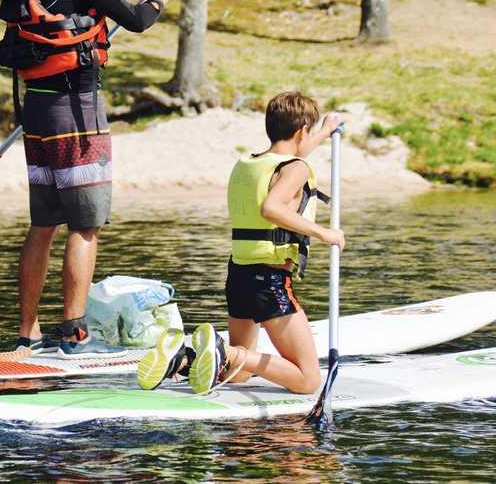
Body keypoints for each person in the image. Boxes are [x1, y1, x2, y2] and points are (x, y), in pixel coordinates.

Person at [14, 0, 174, 358]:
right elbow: (138, 19)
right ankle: (74, 336)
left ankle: (28, 334)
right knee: (85, 226)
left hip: (37, 109)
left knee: (43, 224)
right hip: (77, 114)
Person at [138, 92, 345, 393]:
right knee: (307, 380)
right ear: (302, 131)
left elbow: (294, 158)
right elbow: (271, 208)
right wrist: (324, 233)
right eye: (310, 132)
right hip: (270, 280)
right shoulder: (295, 168)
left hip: (239, 275)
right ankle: (226, 351)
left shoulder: (250, 163)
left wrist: (325, 130)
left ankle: (183, 358)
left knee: (238, 374)